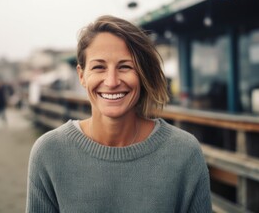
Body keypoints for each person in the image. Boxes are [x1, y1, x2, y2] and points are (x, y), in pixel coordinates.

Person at [26, 15, 212, 212]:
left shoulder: (184, 153)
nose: (112, 81)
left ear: (142, 74)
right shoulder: (49, 153)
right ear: (81, 75)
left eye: (125, 67)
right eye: (99, 67)